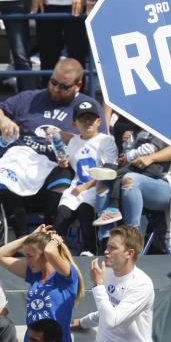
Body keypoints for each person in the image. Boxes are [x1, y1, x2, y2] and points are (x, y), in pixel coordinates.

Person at [0, 58, 105, 237]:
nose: (56, 89)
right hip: (22, 159)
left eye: (64, 86)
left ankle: (49, 239)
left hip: (57, 165)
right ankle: (22, 239)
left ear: (78, 85)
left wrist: (67, 137)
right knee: (4, 177)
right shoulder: (30, 98)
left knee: (62, 181)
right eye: (53, 82)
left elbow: (100, 143)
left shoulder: (87, 107)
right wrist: (4, 120)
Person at [52, 101, 117, 255]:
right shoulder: (74, 142)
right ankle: (55, 252)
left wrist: (85, 186)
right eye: (83, 118)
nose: (88, 122)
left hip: (97, 188)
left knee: (85, 210)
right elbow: (69, 162)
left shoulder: (106, 141)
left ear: (99, 121)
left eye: (91, 118)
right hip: (76, 188)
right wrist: (63, 163)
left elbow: (110, 170)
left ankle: (91, 250)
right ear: (75, 124)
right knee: (62, 214)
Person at [0, 225, 83, 341]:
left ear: (45, 256)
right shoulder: (35, 274)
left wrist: (54, 240)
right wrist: (30, 237)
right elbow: (1, 254)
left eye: (30, 256)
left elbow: (50, 251)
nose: (27, 262)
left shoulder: (65, 275)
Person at [72, 226, 154, 340]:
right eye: (107, 247)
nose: (106, 251)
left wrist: (98, 285)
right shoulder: (107, 273)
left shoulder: (142, 285)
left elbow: (111, 320)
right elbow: (106, 311)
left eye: (113, 248)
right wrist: (83, 322)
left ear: (129, 253)